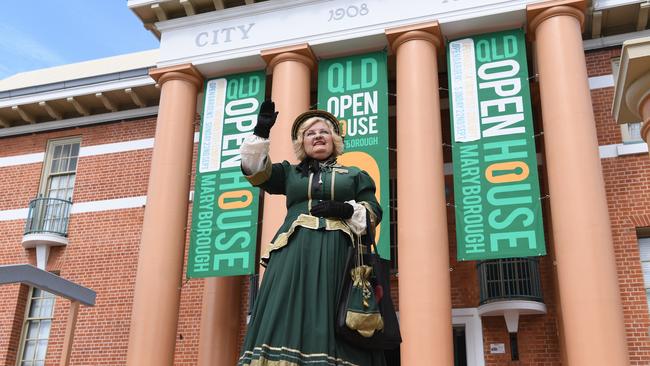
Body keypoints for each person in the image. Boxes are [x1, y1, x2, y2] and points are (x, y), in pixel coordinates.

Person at [237, 100, 386, 366]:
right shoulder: (289, 173)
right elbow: (255, 172)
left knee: (331, 313)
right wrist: (261, 132)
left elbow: (373, 211)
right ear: (302, 143)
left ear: (334, 140)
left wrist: (347, 210)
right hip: (292, 256)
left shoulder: (354, 175)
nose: (317, 136)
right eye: (310, 133)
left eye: (324, 132)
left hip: (338, 257)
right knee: (286, 312)